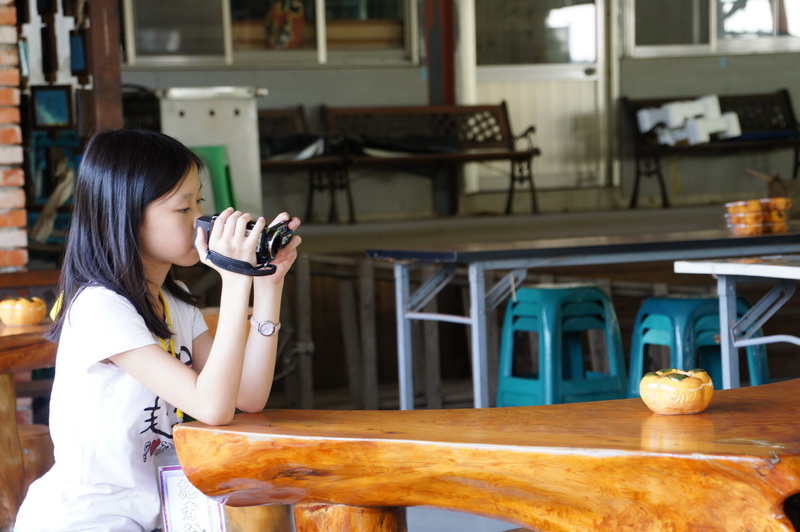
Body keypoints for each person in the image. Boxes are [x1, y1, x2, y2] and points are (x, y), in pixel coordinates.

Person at [14, 129, 301, 531]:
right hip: (89, 521)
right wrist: (235, 279)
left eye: (200, 201)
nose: (202, 219)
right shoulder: (100, 307)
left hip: (154, 518)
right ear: (127, 215)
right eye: (184, 209)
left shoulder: (175, 299)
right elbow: (213, 407)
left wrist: (268, 284)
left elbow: (247, 397)